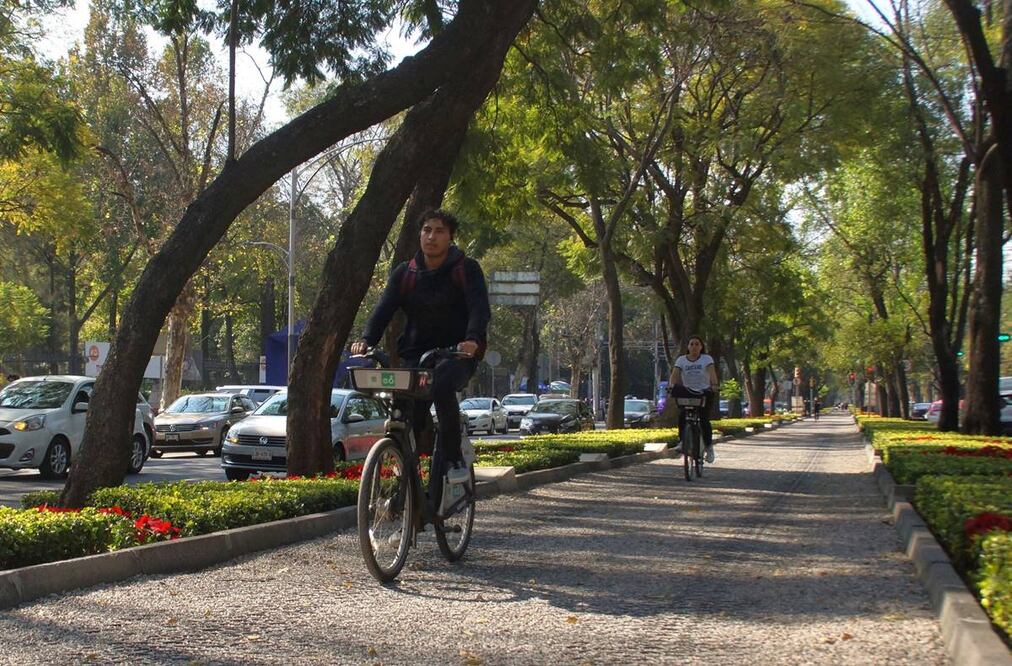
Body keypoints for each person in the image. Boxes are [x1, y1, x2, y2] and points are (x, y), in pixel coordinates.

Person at [351, 208, 491, 478]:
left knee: (440, 386)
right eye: (427, 230)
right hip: (415, 355)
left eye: (439, 231)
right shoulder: (406, 273)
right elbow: (383, 309)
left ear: (450, 237)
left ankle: (453, 461)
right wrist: (366, 340)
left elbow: (479, 309)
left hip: (456, 355)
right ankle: (404, 471)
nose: (432, 237)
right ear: (420, 235)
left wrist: (472, 339)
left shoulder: (466, 269)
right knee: (405, 408)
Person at [668, 335, 718, 462]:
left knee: (704, 420)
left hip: (703, 392)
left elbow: (712, 373)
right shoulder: (681, 360)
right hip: (687, 392)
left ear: (701, 347)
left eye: (697, 344)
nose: (694, 346)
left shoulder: (707, 359)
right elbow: (675, 375)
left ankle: (708, 447)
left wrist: (714, 385)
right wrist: (671, 386)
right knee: (682, 417)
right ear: (688, 347)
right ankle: (682, 442)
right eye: (691, 344)